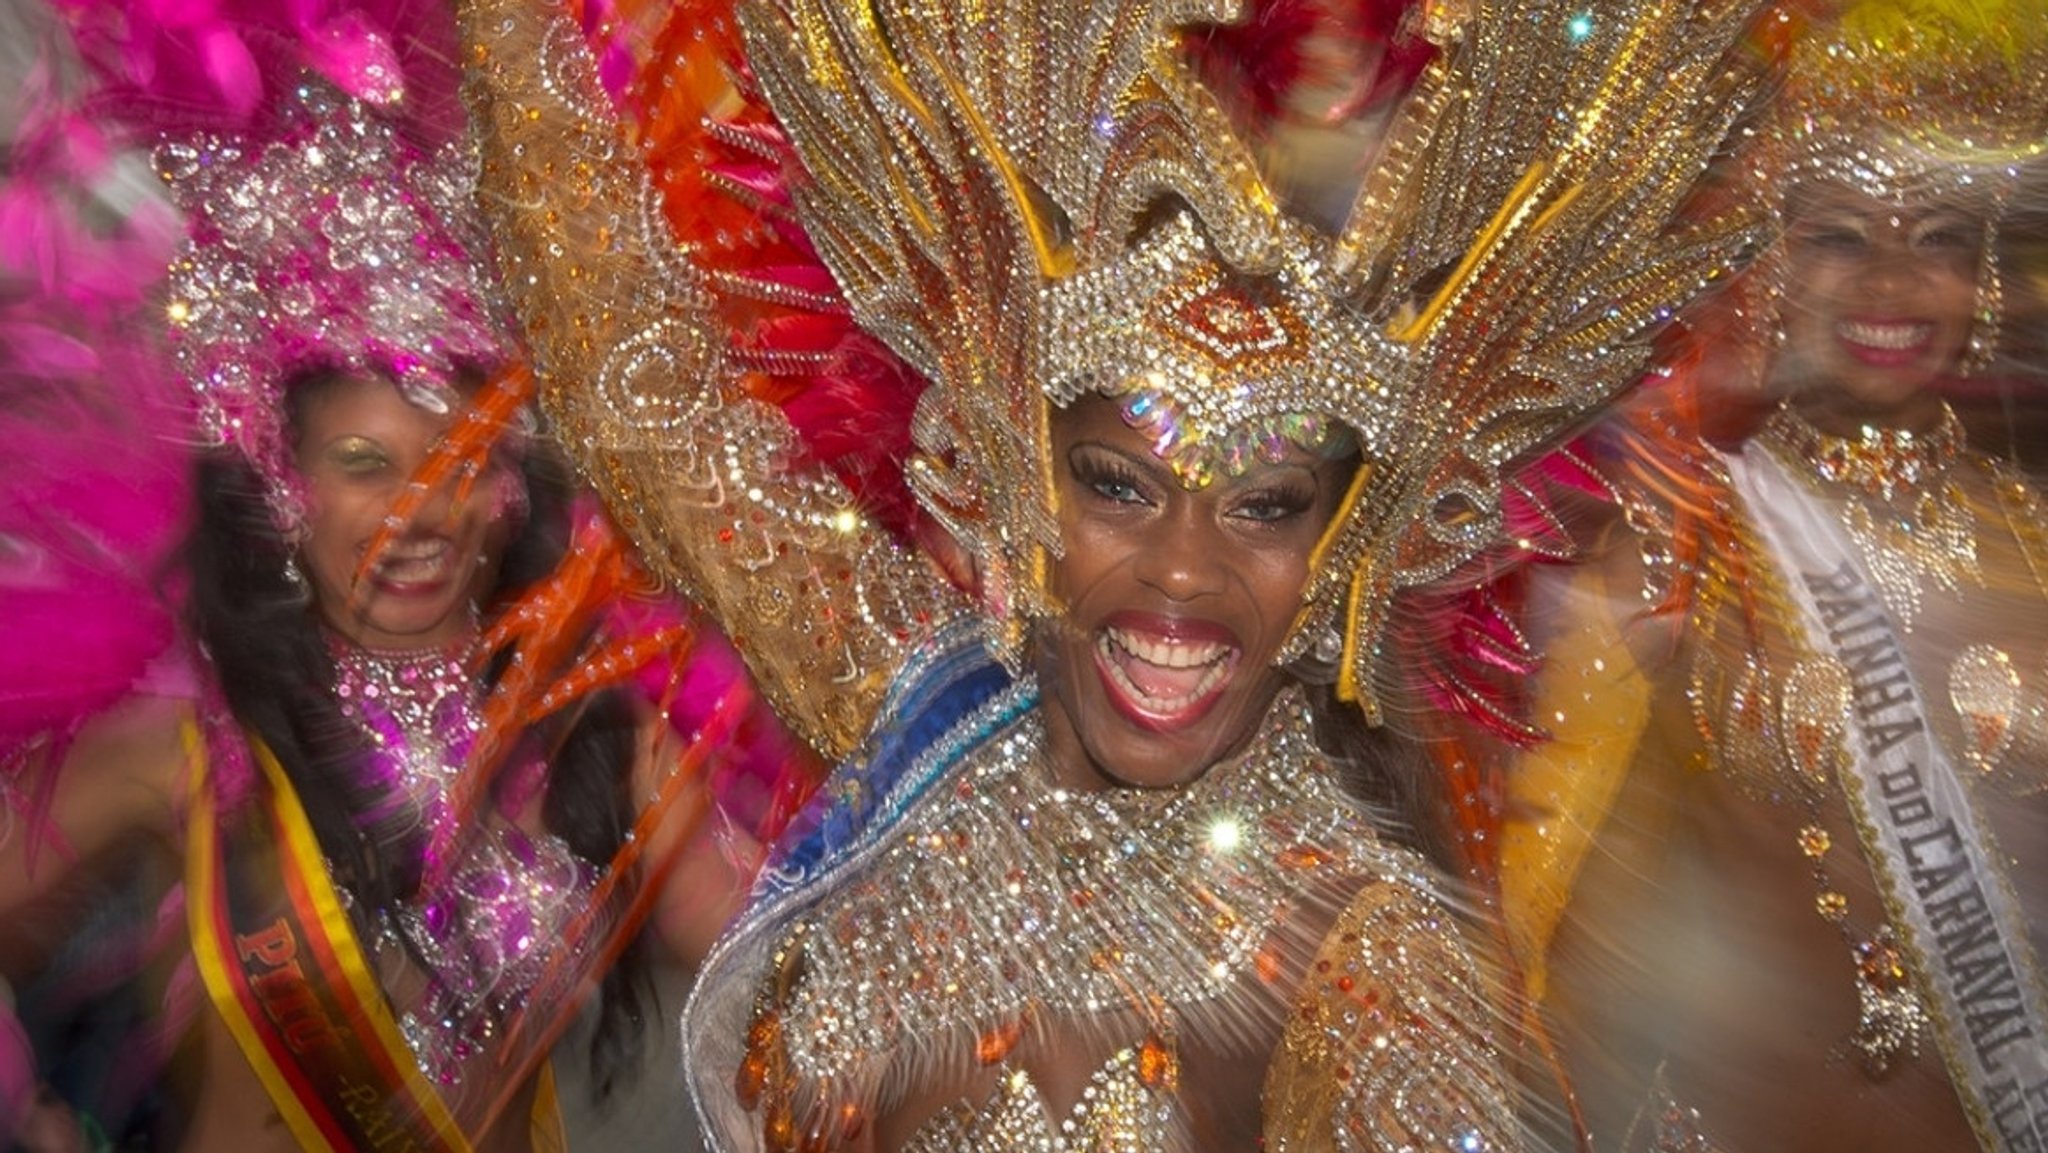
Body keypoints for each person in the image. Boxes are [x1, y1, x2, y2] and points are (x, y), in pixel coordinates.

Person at [456, 0, 1772, 1146]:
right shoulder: (928, 696)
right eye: (1119, 487)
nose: (1182, 573)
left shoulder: (1365, 959)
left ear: (1346, 548)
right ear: (1013, 479)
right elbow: (634, 381)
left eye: (1262, 507)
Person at [0, 1, 789, 1147]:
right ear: (283, 481)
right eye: (364, 464)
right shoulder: (190, 756)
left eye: (455, 464)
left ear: (507, 488)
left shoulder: (588, 741)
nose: (416, 511)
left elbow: (801, 970)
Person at [1497, 3, 2048, 1148]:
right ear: (1766, 263)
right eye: (1838, 235)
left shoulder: (2034, 544)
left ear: (1985, 275)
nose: (1890, 282)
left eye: (1937, 234)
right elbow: (1559, 893)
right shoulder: (1681, 533)